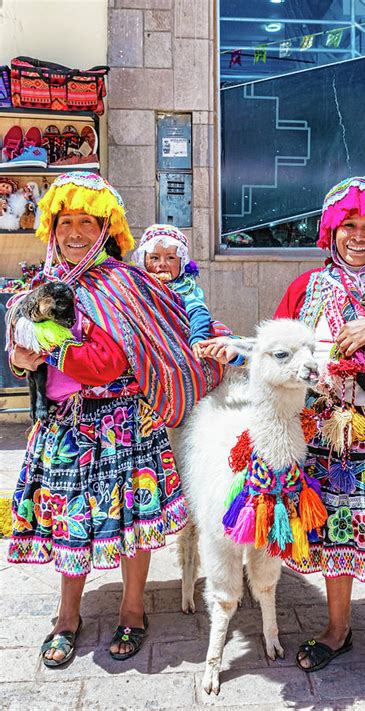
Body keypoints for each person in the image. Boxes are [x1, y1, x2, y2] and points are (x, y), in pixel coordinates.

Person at [200, 176, 365, 707]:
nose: (359, 236)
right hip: (322, 434)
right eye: (349, 226)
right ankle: (337, 630)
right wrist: (236, 349)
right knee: (334, 540)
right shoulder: (309, 287)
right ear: (332, 230)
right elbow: (277, 341)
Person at [7, 171, 225, 667]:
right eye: (66, 222)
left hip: (123, 424)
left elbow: (107, 362)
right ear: (52, 227)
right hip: (64, 428)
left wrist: (48, 345)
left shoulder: (123, 283)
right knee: (67, 526)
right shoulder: (42, 283)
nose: (75, 231)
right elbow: (19, 357)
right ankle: (67, 618)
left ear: (107, 229)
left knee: (132, 525)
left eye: (87, 221)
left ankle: (132, 611)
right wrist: (27, 356)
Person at [131, 224, 211, 358]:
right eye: (155, 258)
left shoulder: (185, 288)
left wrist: (197, 337)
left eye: (171, 258)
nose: (162, 263)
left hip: (178, 348)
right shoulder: (135, 285)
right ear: (144, 262)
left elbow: (198, 312)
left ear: (181, 262)